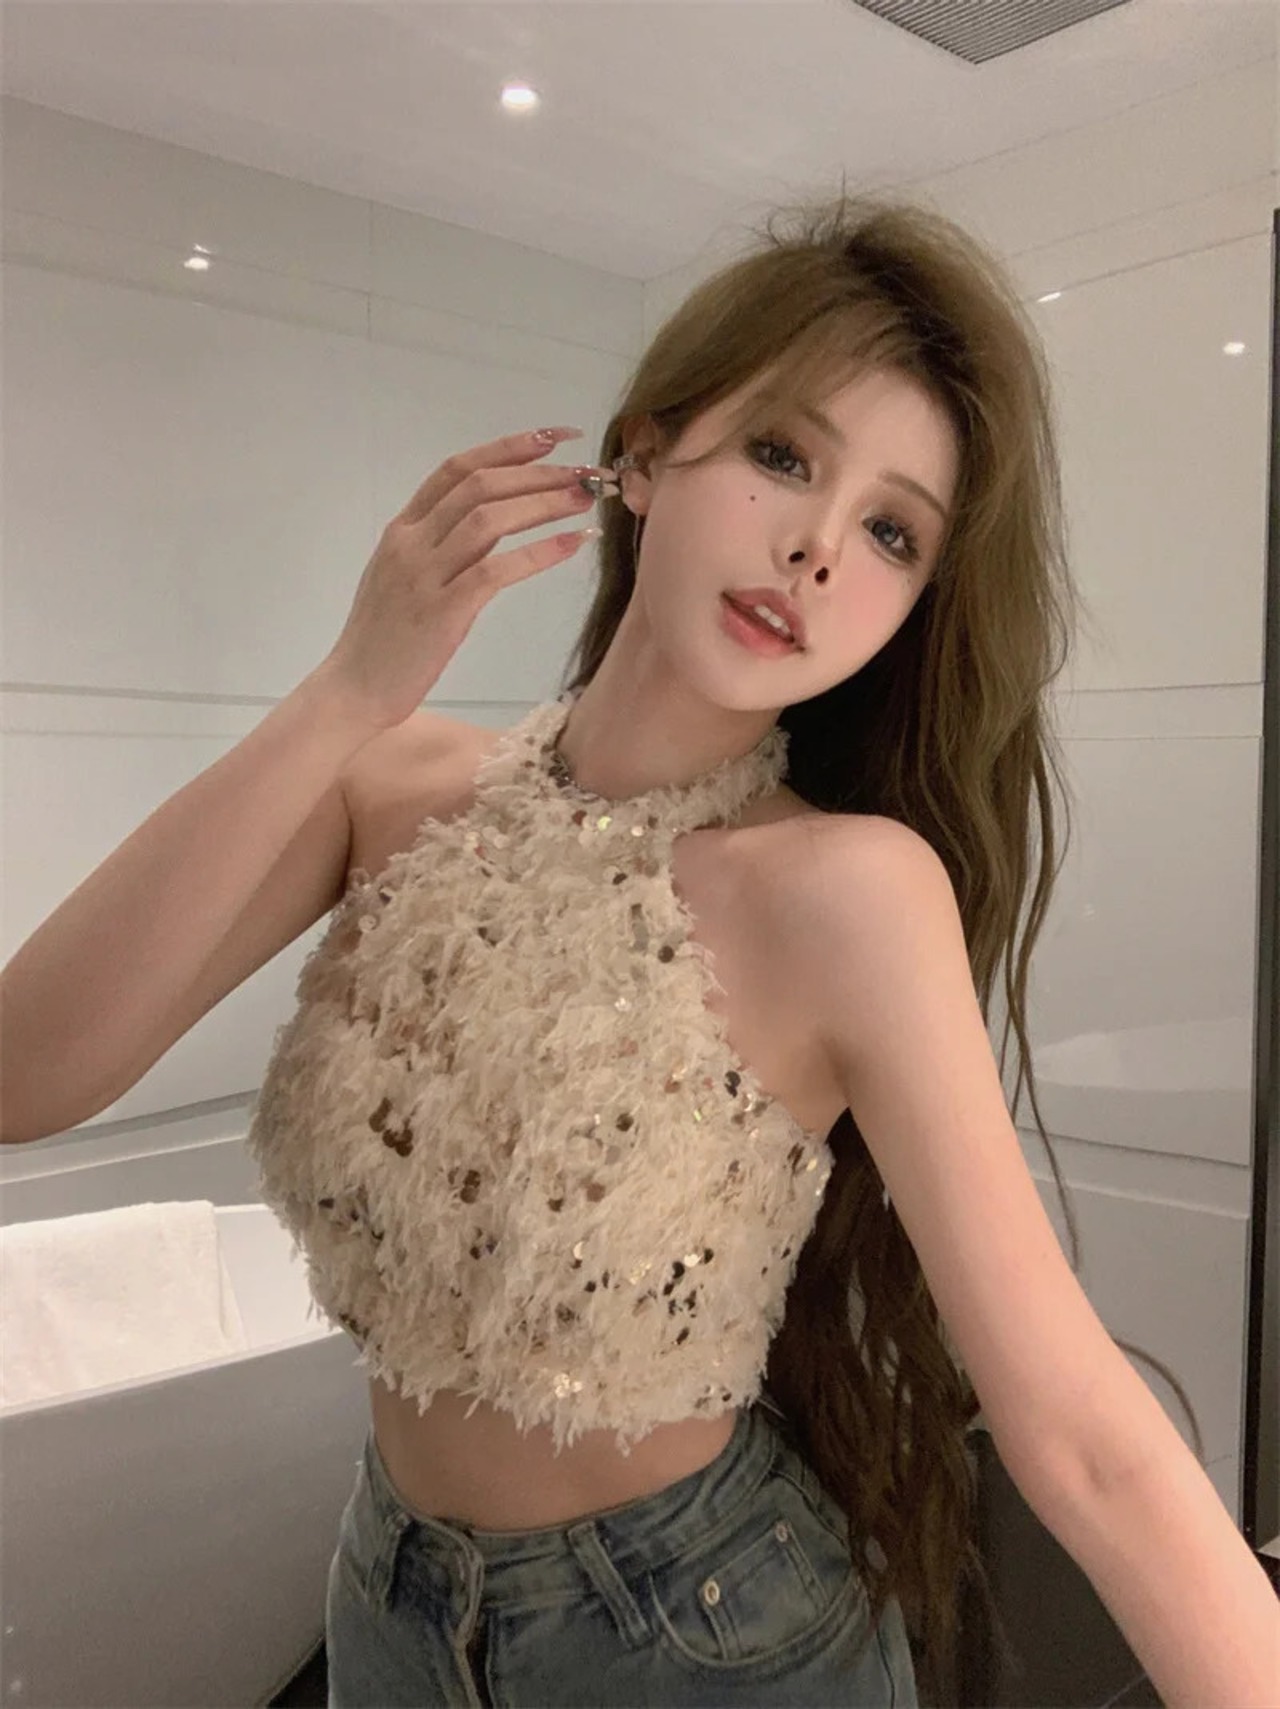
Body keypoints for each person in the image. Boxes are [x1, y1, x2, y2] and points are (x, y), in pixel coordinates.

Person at [1, 186, 1214, 1707]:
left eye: (891, 531)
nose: (817, 547)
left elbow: (1085, 1433)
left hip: (701, 1635)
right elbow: (26, 1073)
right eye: (784, 456)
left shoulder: (847, 892)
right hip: (390, 1600)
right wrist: (349, 688)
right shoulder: (395, 790)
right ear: (643, 456)